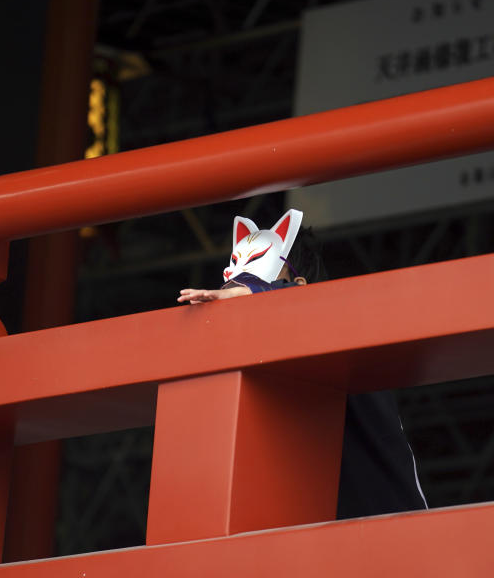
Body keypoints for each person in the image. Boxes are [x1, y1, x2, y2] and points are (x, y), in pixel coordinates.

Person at [178, 209, 427, 517]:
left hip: (392, 528)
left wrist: (256, 293)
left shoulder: (342, 332)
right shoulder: (261, 377)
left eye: (253, 289)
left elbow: (316, 308)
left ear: (298, 285)